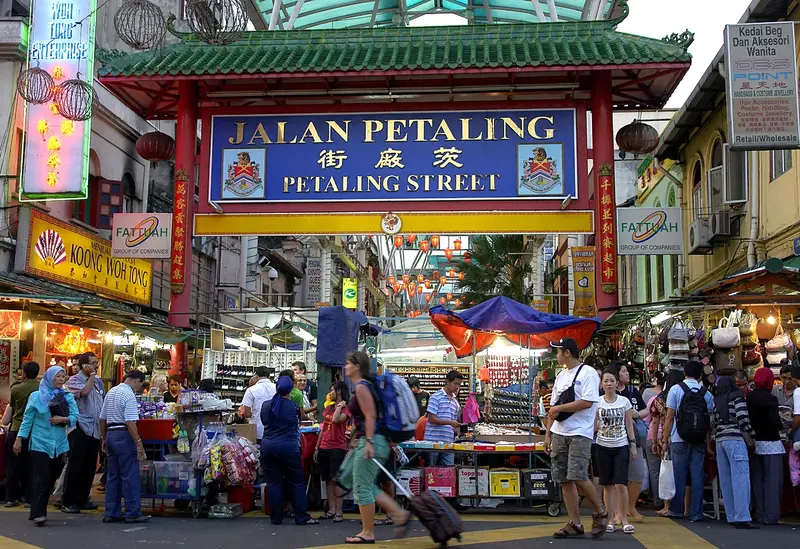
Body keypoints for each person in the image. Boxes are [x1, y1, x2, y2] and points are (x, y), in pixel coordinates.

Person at [339, 351, 409, 544]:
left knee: (362, 486)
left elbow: (371, 416)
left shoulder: (361, 387)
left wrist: (368, 442)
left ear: (357, 366)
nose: (345, 367)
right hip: (374, 439)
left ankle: (368, 532)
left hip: (373, 441)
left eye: (348, 363)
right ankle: (399, 513)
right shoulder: (364, 386)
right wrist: (357, 437)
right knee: (367, 484)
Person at [545, 338, 608, 539]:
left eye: (558, 351)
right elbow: (552, 411)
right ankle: (575, 523)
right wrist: (548, 434)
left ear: (567, 353)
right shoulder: (561, 376)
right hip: (560, 431)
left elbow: (588, 402)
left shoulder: (588, 372)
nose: (556, 355)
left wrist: (559, 408)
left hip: (580, 432)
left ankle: (600, 511)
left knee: (578, 474)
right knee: (564, 479)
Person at [14, 365, 78, 526]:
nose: (60, 379)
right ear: (50, 378)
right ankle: (38, 513)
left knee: (51, 478)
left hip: (59, 444)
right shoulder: (36, 396)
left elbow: (75, 416)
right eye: (57, 376)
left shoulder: (67, 396)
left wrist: (62, 420)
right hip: (39, 443)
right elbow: (27, 419)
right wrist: (19, 438)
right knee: (41, 478)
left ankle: (41, 507)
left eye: (63, 377)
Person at [260, 376, 318, 526]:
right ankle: (301, 516)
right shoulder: (293, 406)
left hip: (268, 447)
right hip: (289, 448)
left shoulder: (266, 405)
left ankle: (276, 517)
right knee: (296, 482)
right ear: (290, 389)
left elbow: (265, 422)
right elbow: (297, 422)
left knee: (273, 482)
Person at [661, 360, 714, 522]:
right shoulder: (707, 393)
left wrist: (665, 439)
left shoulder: (676, 390)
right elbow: (708, 423)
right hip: (698, 440)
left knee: (679, 475)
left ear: (685, 372)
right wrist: (708, 444)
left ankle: (676, 510)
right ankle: (696, 513)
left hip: (679, 438)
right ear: (700, 375)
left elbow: (669, 417)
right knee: (697, 476)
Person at [99, 370, 150, 524]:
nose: (139, 388)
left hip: (111, 435)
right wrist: (139, 443)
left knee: (113, 476)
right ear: (137, 381)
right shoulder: (129, 395)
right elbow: (130, 422)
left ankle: (111, 512)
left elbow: (102, 419)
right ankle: (132, 512)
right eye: (140, 385)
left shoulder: (111, 392)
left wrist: (104, 438)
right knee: (129, 475)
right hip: (124, 436)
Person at [62, 352, 105, 514]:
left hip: (94, 428)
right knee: (76, 464)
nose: (96, 366)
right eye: (93, 363)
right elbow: (84, 393)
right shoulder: (74, 381)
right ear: (83, 365)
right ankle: (68, 500)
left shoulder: (98, 382)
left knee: (89, 465)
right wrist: (92, 376)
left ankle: (82, 498)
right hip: (79, 427)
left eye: (96, 363)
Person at [595, 369, 637, 534]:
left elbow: (629, 425)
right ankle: (610, 519)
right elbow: (593, 425)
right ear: (602, 384)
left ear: (617, 383)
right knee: (607, 485)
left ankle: (624, 519)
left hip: (621, 445)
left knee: (621, 484)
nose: (609, 384)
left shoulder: (624, 402)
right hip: (602, 446)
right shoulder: (597, 402)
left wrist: (632, 444)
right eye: (606, 381)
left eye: (612, 380)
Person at [713, 376, 758, 529]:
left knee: (725, 480)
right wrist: (752, 435)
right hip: (735, 440)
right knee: (740, 478)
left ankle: (731, 515)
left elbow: (713, 422)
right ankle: (743, 517)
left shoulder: (717, 400)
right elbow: (743, 418)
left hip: (720, 441)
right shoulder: (737, 397)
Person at [747, 368, 785, 526]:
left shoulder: (749, 398)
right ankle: (771, 516)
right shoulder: (771, 399)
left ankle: (760, 514)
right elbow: (775, 421)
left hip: (755, 443)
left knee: (757, 480)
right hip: (772, 443)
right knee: (772, 482)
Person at [2, 361, 40, 508]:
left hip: (17, 428)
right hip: (34, 429)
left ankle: (11, 498)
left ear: (23, 372)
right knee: (31, 465)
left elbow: (12, 408)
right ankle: (29, 498)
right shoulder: (40, 389)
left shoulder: (16, 388)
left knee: (13, 465)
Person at [314, 382, 351, 523]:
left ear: (339, 391)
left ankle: (339, 512)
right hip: (325, 447)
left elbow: (336, 420)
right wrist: (317, 447)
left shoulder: (346, 409)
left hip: (337, 448)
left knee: (336, 480)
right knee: (328, 480)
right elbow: (324, 429)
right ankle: (331, 509)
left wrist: (340, 406)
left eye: (332, 391)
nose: (330, 393)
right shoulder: (328, 408)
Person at [647, 370, 681, 517]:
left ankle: (664, 504)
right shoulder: (683, 395)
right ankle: (683, 506)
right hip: (682, 437)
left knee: (663, 473)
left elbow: (654, 421)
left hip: (664, 438)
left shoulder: (659, 399)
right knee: (680, 473)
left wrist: (655, 441)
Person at [616, 363, 647, 522]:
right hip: (614, 439)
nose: (627, 374)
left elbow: (646, 410)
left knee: (638, 473)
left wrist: (637, 413)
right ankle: (617, 511)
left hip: (634, 438)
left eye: (627, 372)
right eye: (623, 371)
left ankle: (630, 506)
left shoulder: (633, 392)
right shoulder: (607, 392)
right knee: (617, 477)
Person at [423, 370, 464, 467]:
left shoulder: (455, 402)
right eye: (455, 383)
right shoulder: (435, 397)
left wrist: (459, 430)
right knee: (431, 473)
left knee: (448, 472)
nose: (457, 387)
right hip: (432, 443)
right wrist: (450, 423)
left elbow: (453, 423)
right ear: (448, 381)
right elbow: (431, 419)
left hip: (448, 443)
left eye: (459, 384)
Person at [240, 367, 276, 443]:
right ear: (269, 376)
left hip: (257, 431)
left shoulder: (251, 390)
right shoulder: (277, 388)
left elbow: (247, 414)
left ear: (256, 376)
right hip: (275, 431)